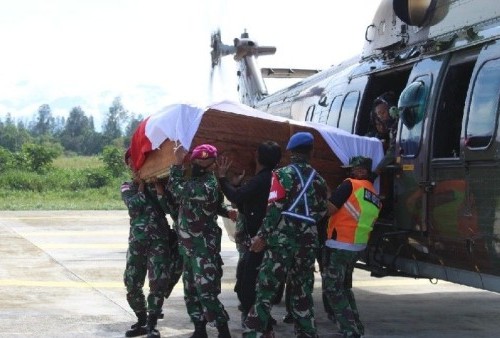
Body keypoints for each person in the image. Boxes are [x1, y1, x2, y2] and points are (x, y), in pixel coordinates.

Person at [243, 131, 329, 338]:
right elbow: (321, 211)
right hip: (307, 241)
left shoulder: (281, 175)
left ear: (290, 152)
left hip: (282, 241)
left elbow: (274, 209)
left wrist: (262, 236)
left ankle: (253, 333)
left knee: (266, 290)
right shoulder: (319, 180)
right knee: (302, 293)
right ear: (311, 151)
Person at [168, 143, 236, 338]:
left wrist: (177, 163)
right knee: (190, 291)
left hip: (203, 249)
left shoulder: (206, 184)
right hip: (188, 248)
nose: (197, 163)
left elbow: (177, 189)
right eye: (196, 159)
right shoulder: (199, 181)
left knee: (206, 292)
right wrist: (227, 211)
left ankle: (223, 331)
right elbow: (216, 204)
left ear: (211, 163)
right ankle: (199, 330)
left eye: (202, 160)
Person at [216, 141, 282, 327]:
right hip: (272, 241)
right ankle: (262, 319)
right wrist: (237, 187)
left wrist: (223, 178)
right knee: (261, 283)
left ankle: (254, 322)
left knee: (248, 286)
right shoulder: (276, 178)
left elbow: (236, 198)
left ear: (257, 157)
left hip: (259, 242)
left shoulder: (260, 180)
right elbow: (245, 201)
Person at [322, 156, 382, 338]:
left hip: (340, 244)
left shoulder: (350, 185)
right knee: (345, 287)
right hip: (356, 246)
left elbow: (329, 209)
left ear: (361, 171)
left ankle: (350, 330)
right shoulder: (372, 192)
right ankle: (356, 325)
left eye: (352, 169)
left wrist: (323, 197)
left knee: (333, 288)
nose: (349, 173)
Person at [121, 149, 174, 338]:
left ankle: (152, 325)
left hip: (158, 240)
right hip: (138, 241)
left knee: (158, 282)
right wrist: (141, 190)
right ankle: (141, 320)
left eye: (135, 161)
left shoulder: (158, 184)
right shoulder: (127, 187)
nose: (133, 166)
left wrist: (159, 191)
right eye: (129, 163)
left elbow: (168, 209)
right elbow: (133, 206)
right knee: (132, 282)